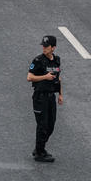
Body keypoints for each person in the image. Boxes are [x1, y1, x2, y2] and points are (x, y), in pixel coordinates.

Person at [27, 34, 63, 163]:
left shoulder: (57, 60)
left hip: (51, 97)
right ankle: (39, 152)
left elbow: (58, 78)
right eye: (43, 45)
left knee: (51, 125)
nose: (44, 48)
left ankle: (39, 148)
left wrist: (60, 94)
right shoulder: (38, 61)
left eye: (46, 46)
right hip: (40, 97)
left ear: (53, 48)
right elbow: (29, 77)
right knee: (42, 125)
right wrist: (44, 77)